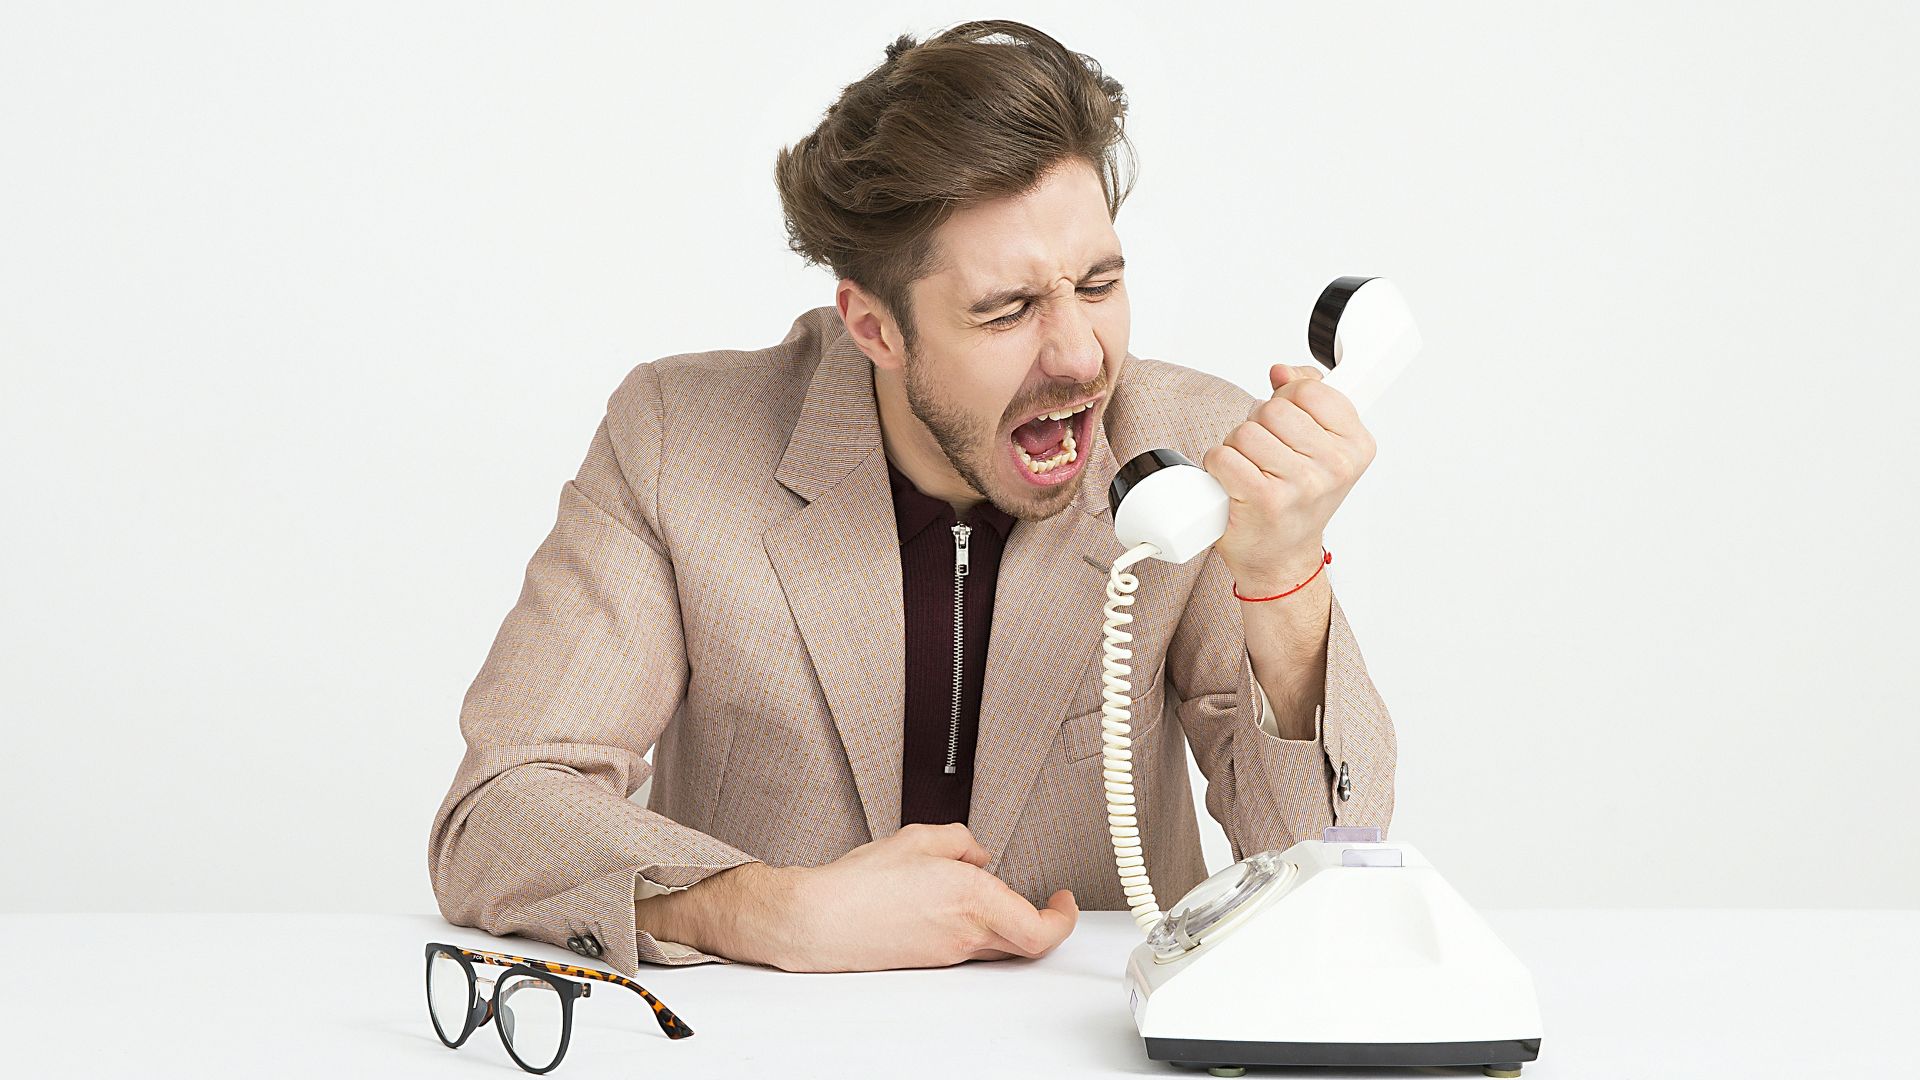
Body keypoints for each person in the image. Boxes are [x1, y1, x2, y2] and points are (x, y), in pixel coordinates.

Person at [427, 19, 1396, 977]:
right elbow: (500, 809)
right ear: (874, 326)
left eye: (1098, 284)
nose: (1080, 356)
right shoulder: (678, 436)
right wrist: (760, 911)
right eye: (1007, 309)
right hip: (770, 1043)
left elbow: (1331, 866)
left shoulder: (1187, 447)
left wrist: (1282, 581)